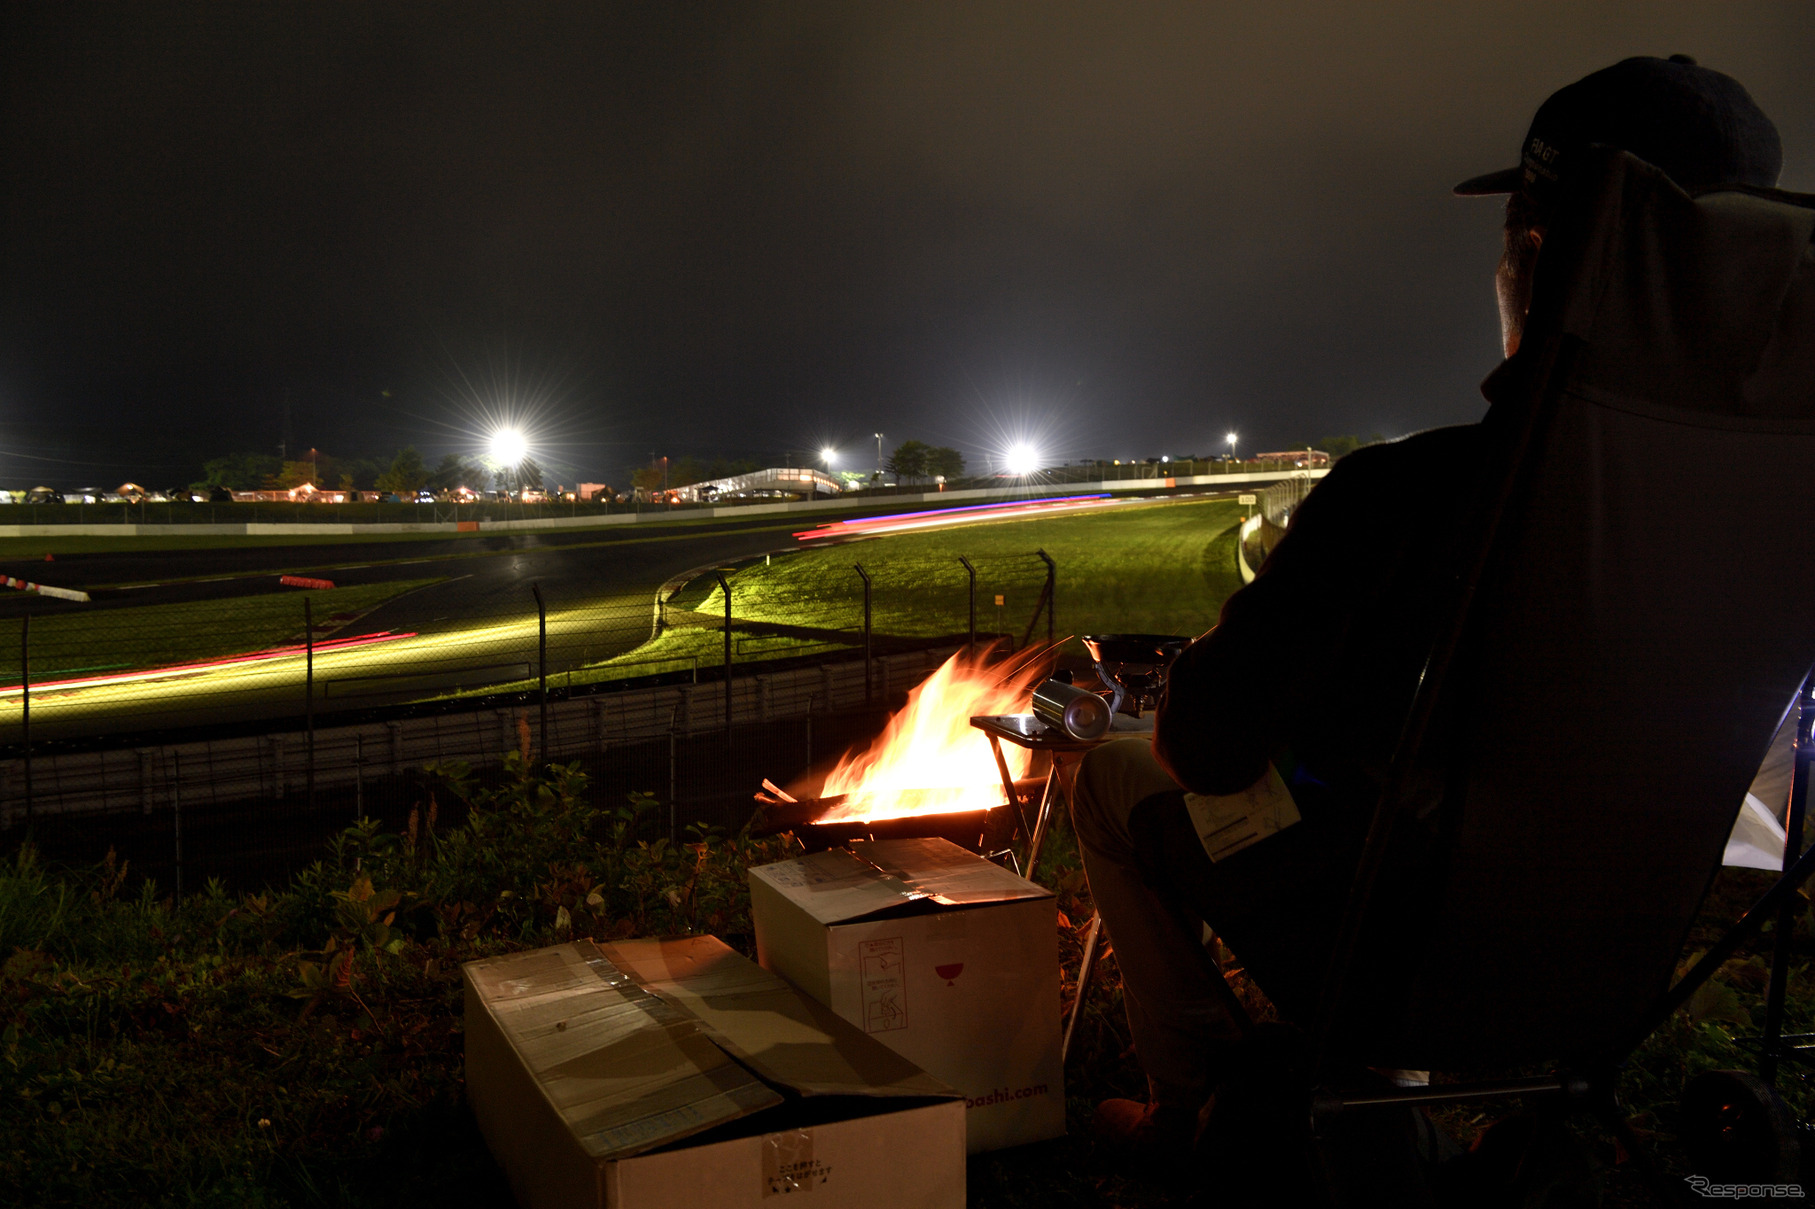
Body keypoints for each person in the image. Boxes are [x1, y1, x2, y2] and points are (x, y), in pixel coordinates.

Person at [1072, 55, 1786, 1161]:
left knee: (1113, 774)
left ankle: (1192, 1104)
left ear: (1538, 259)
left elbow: (1207, 746)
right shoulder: (1776, 515)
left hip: (1401, 966)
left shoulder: (1406, 494)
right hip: (1621, 967)